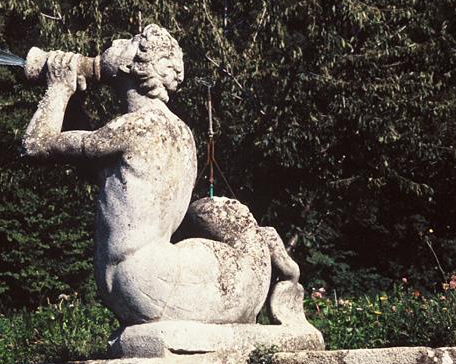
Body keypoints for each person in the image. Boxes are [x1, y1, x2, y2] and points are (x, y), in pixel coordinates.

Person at [22, 24, 296, 325]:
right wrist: (73, 100)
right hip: (143, 283)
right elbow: (98, 172)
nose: (115, 40)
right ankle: (265, 249)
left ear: (135, 65)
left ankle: (263, 248)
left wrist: (58, 88)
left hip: (146, 283)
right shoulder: (178, 132)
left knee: (209, 214)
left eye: (129, 40)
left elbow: (35, 145)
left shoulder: (136, 127)